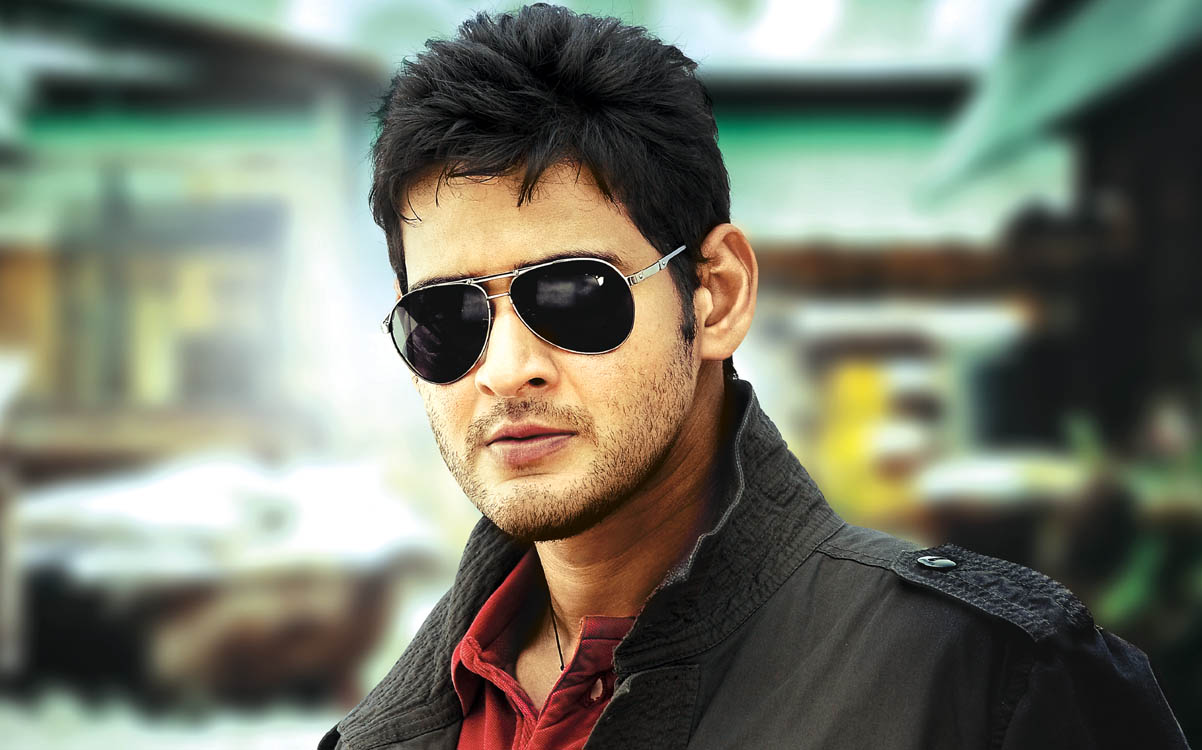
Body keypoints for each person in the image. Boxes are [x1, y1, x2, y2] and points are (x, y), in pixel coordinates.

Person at [320, 5, 1189, 749]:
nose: (508, 370)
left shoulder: (982, 684)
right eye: (447, 320)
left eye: (575, 296)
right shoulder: (383, 731)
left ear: (717, 296)